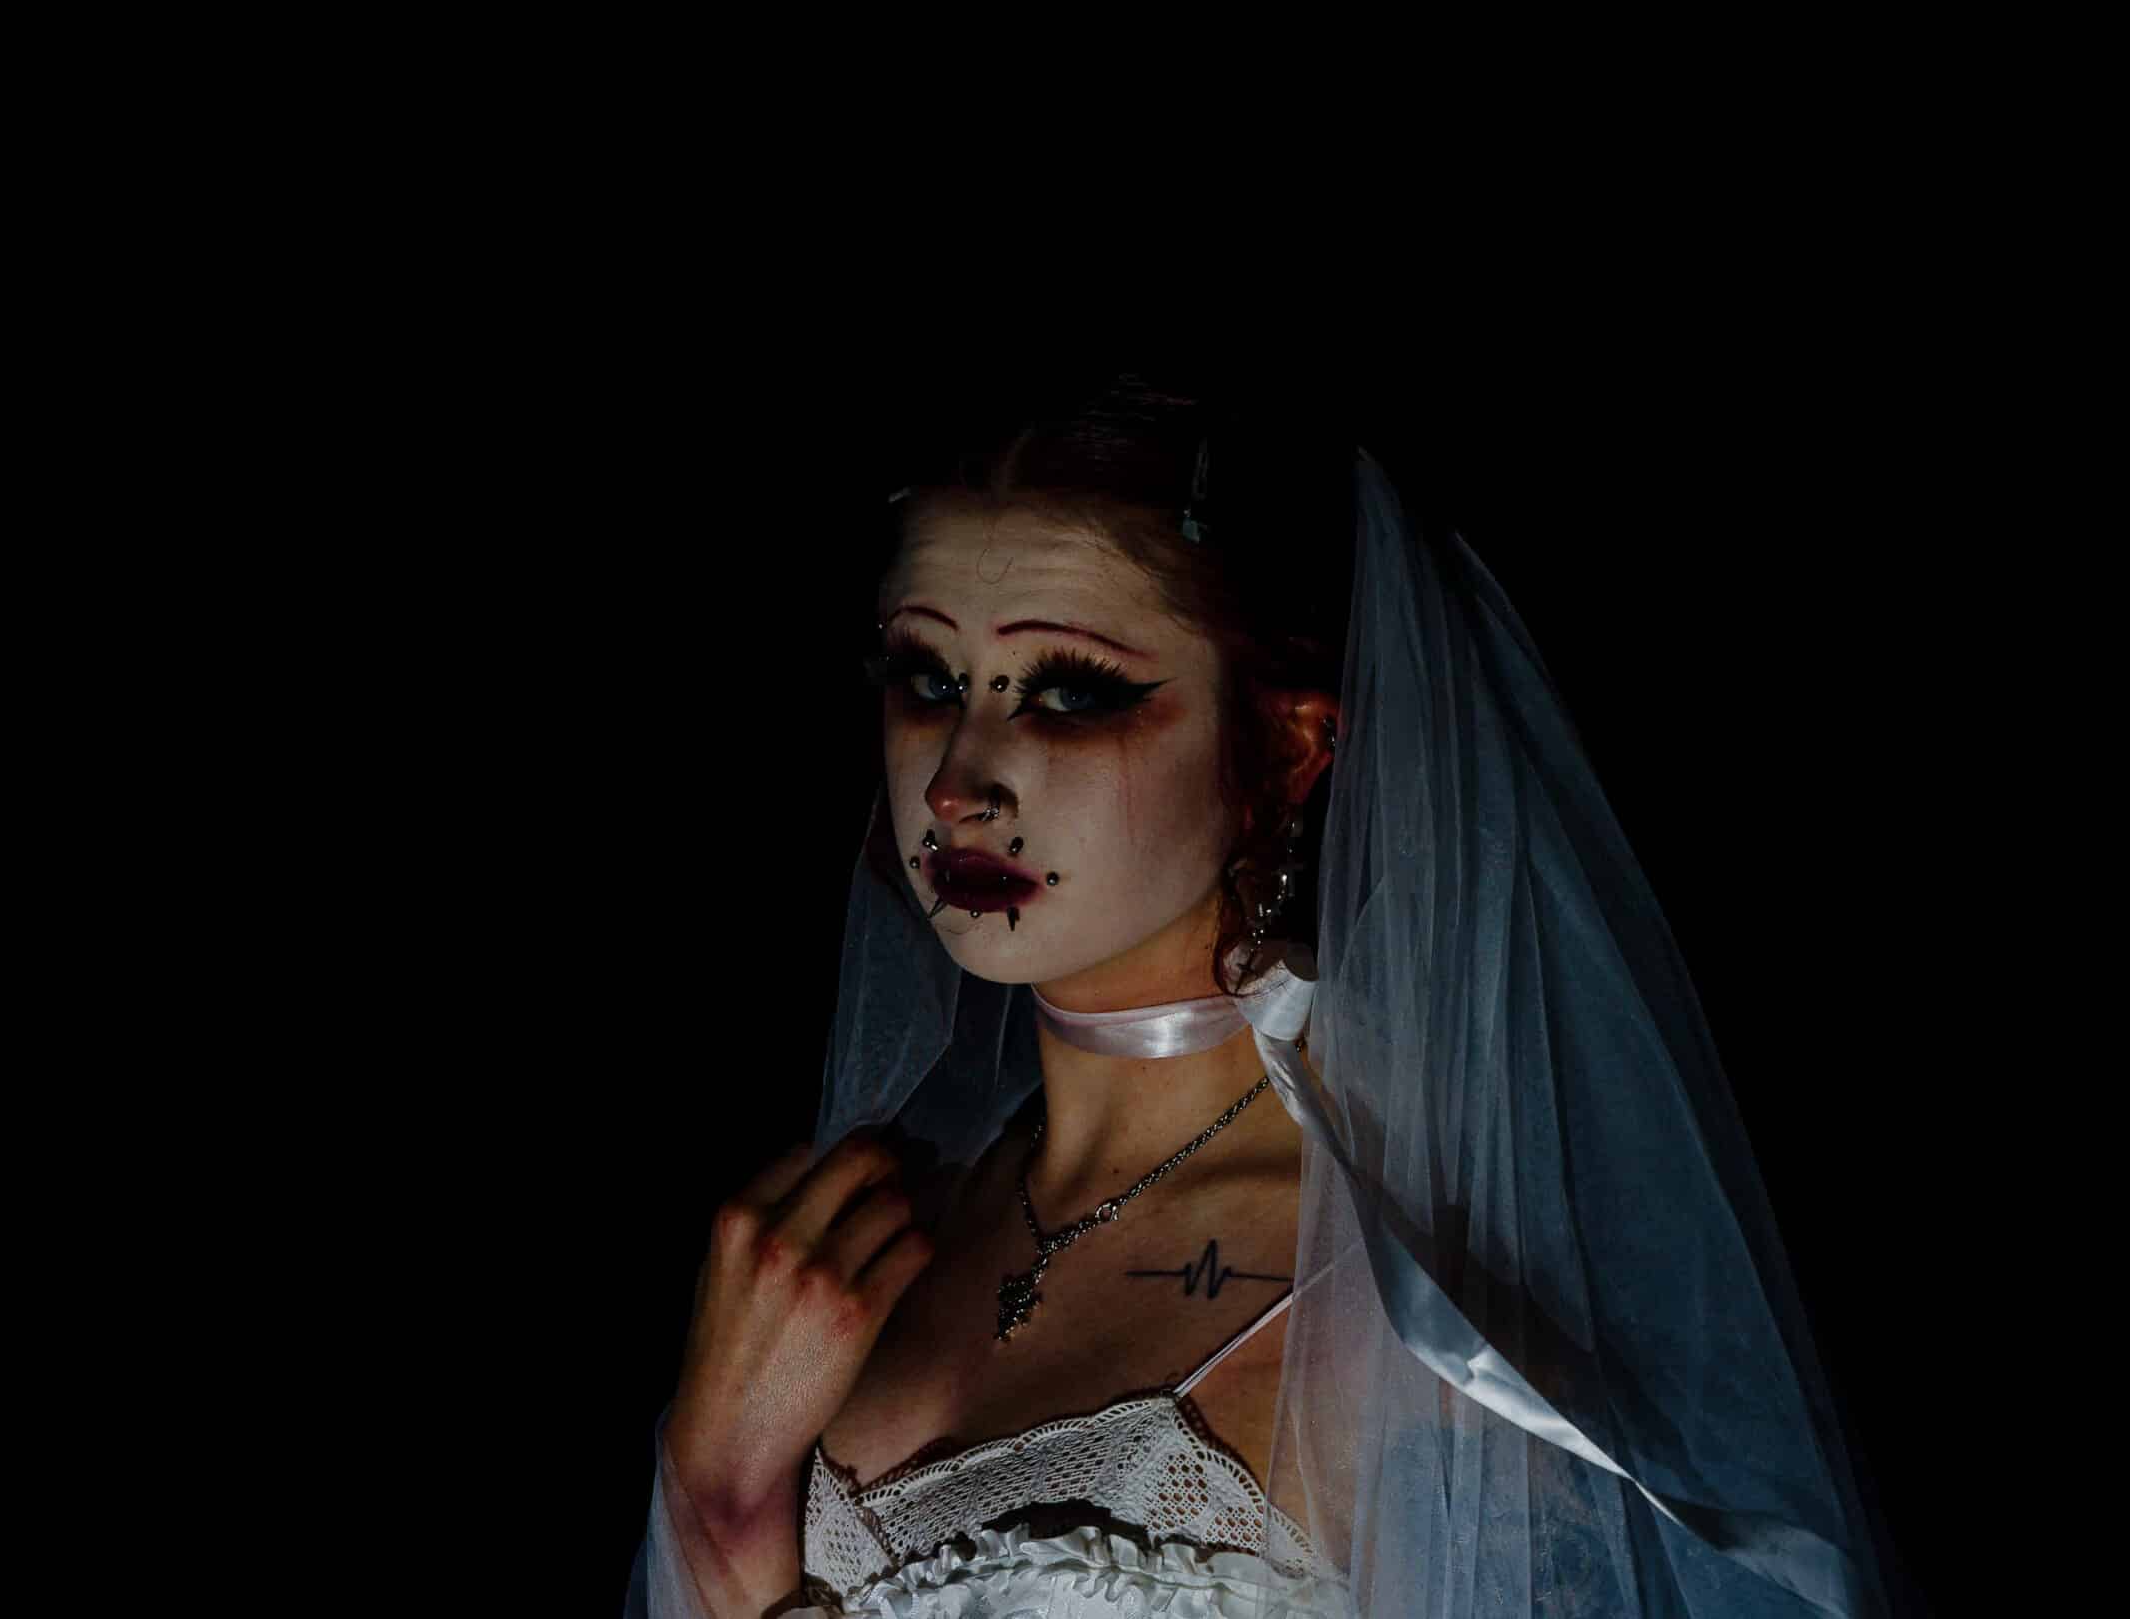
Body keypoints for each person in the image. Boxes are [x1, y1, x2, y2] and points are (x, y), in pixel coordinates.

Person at [626, 373, 1902, 1617]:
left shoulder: (1428, 1320)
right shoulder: (837, 1255)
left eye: (1071, 692)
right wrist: (716, 1499)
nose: (960, 782)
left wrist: (725, 1519)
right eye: (929, 680)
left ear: (1287, 748)